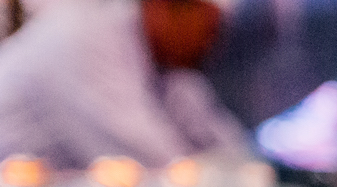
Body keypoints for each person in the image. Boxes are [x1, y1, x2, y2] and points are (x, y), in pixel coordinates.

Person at [0, 0, 248, 170]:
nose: (214, 42)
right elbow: (152, 161)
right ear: (164, 7)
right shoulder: (86, 41)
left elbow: (227, 148)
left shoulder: (168, 66)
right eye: (212, 28)